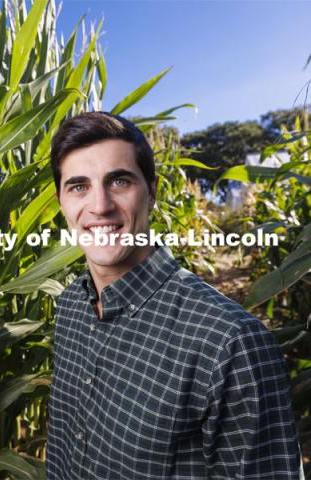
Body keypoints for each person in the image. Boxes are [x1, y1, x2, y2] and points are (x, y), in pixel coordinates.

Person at [45, 112, 302, 479]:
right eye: (78, 186)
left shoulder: (231, 345)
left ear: (152, 192)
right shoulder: (71, 306)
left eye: (119, 181)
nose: (99, 205)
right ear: (61, 202)